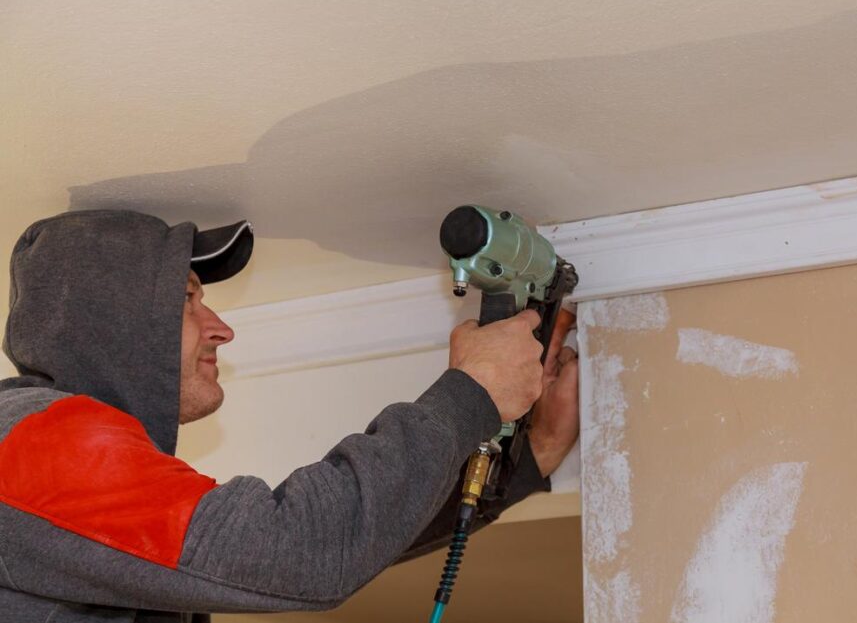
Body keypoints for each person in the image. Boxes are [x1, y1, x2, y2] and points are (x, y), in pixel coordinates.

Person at [0, 209, 579, 623]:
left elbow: (330, 547)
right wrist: (467, 394)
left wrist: (533, 458)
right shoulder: (30, 445)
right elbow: (300, 552)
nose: (222, 328)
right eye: (186, 299)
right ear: (111, 322)